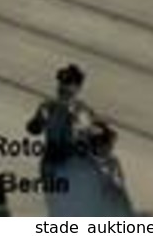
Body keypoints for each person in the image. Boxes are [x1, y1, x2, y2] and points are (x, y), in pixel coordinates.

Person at [26, 64, 97, 216]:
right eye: (61, 82)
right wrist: (39, 120)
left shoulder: (83, 111)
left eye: (68, 83)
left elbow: (90, 142)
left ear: (78, 87)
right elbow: (32, 129)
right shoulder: (48, 106)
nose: (62, 87)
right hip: (51, 161)